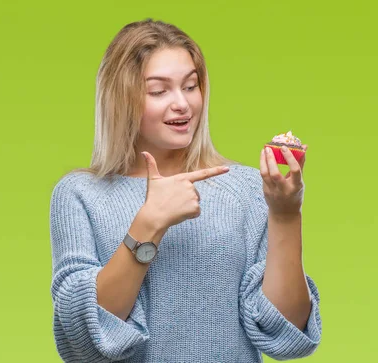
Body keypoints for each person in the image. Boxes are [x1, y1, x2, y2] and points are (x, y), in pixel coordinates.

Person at [48, 18, 321, 362]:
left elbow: (287, 333)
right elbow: (83, 343)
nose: (182, 104)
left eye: (190, 86)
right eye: (159, 91)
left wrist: (285, 213)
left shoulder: (247, 189)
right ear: (120, 99)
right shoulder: (80, 195)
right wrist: (148, 224)